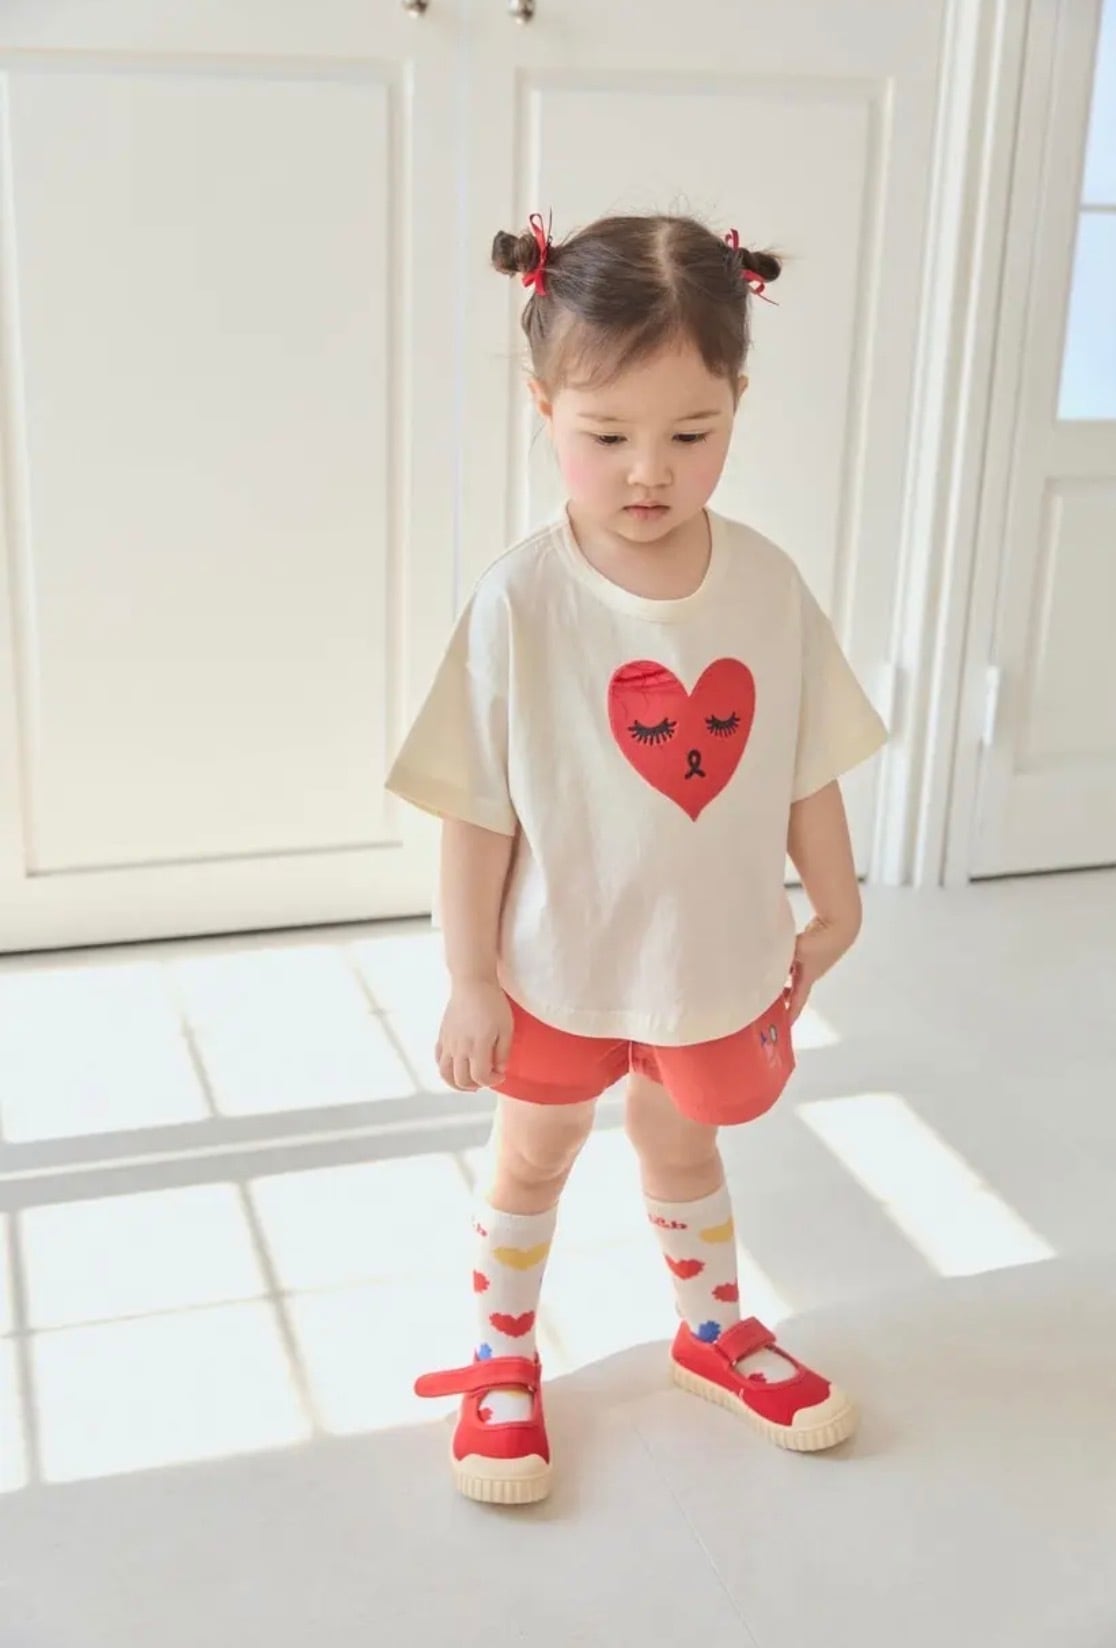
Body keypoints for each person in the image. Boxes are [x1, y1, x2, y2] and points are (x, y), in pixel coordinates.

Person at [386, 211, 888, 1507]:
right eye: (606, 436)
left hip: (711, 958)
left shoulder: (766, 587)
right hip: (556, 961)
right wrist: (470, 977)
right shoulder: (522, 600)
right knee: (534, 1149)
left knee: (683, 1145)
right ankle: (502, 1356)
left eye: (691, 434)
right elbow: (474, 811)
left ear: (737, 404)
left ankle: (710, 1330)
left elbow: (802, 761)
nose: (649, 472)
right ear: (543, 404)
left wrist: (835, 909)